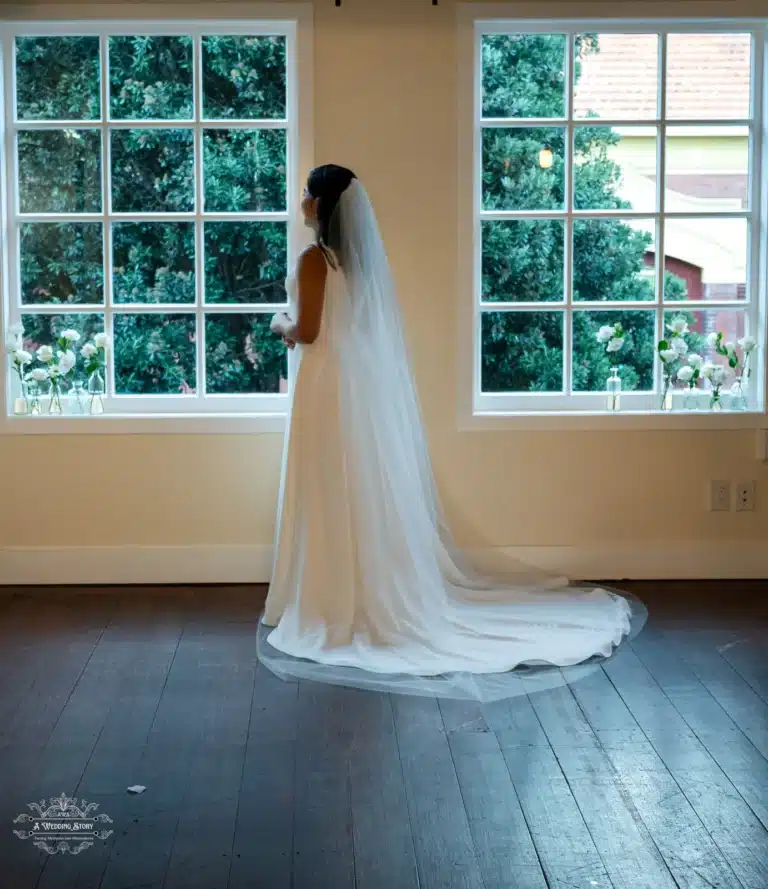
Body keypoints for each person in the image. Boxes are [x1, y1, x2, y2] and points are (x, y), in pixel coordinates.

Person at [260, 164, 641, 701]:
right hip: (348, 382)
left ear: (321, 206)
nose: (300, 199)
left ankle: (328, 598)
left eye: (306, 193)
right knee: (354, 485)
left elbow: (308, 331)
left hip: (326, 383)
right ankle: (352, 589)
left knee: (330, 484)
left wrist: (278, 321)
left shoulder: (313, 260)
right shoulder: (352, 262)